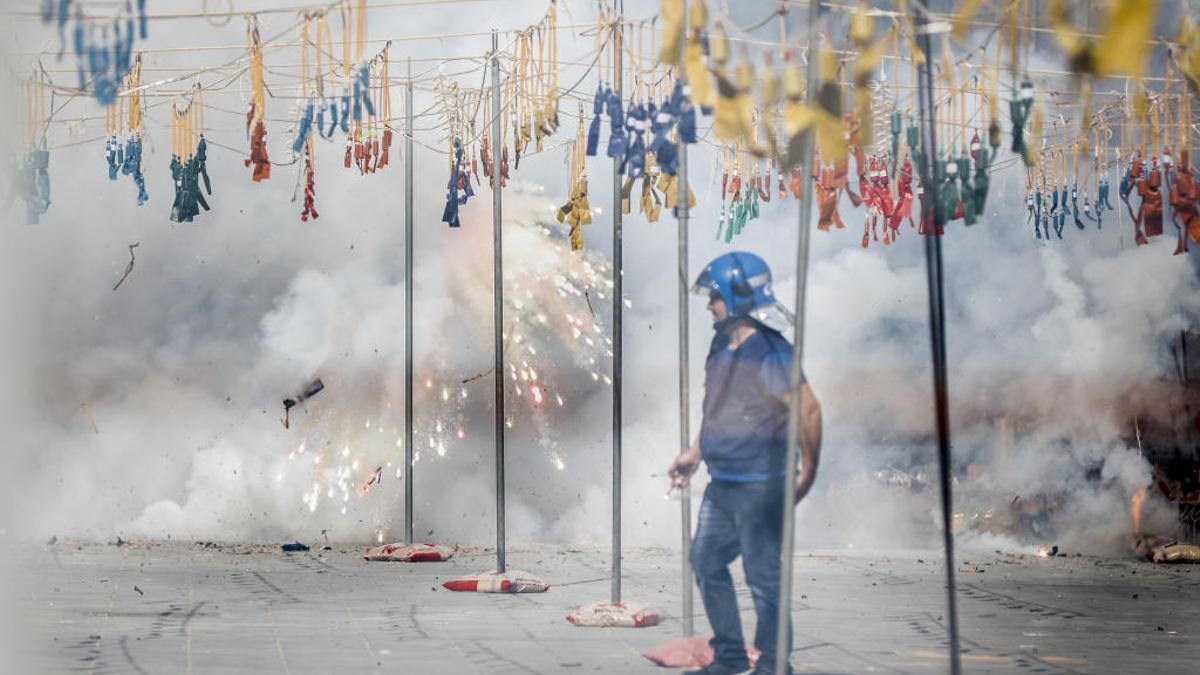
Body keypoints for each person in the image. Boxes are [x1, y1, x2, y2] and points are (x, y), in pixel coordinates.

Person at [668, 251, 823, 675]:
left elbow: (808, 411)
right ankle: (731, 656)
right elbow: (716, 407)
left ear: (738, 295)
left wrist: (808, 470)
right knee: (705, 560)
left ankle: (774, 665)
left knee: (763, 579)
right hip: (723, 484)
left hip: (762, 484)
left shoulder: (771, 351)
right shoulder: (720, 345)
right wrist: (695, 453)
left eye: (715, 296)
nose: (708, 304)